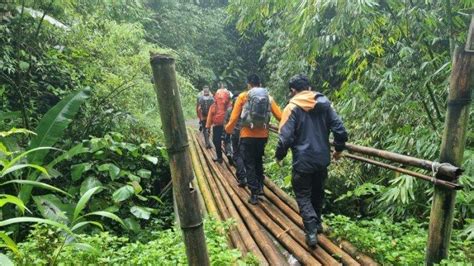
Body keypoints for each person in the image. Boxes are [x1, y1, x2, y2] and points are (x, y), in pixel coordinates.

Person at [275, 74, 348, 248]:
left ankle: (311, 232)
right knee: (318, 192)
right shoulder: (325, 105)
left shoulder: (291, 108)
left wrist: (279, 155)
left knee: (303, 195)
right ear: (309, 88)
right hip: (322, 160)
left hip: (303, 161)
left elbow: (284, 138)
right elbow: (340, 130)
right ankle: (318, 224)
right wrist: (338, 149)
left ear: (293, 91)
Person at [225, 74, 282, 205]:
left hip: (247, 135)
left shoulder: (243, 96)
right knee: (258, 161)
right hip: (263, 136)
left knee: (249, 163)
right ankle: (261, 187)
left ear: (249, 84)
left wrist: (228, 130)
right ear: (260, 84)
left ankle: (254, 193)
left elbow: (234, 118)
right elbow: (280, 116)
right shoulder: (268, 97)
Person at [224, 92, 246, 185]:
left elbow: (226, 121)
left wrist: (226, 132)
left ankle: (242, 178)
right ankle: (249, 177)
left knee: (237, 155)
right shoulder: (245, 108)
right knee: (244, 154)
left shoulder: (230, 109)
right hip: (245, 133)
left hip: (234, 133)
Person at [206, 86, 232, 163]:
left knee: (216, 141)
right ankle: (229, 153)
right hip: (227, 126)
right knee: (227, 140)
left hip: (217, 126)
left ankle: (219, 157)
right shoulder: (229, 105)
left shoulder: (214, 106)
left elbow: (210, 117)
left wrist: (208, 127)